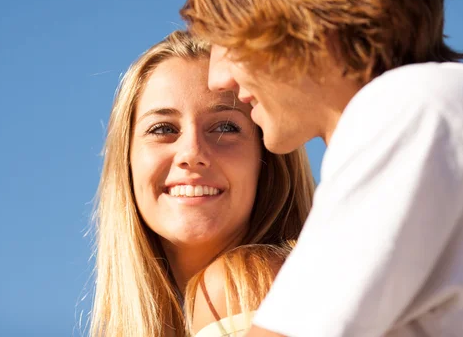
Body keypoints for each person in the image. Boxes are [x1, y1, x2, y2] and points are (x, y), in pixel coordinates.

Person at [180, 0, 463, 336]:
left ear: (300, 11)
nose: (219, 77)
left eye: (228, 36)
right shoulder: (458, 104)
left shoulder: (412, 107)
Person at [89, 30, 314, 337]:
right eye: (162, 129)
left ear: (267, 161)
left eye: (225, 127)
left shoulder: (245, 285)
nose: (192, 153)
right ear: (126, 160)